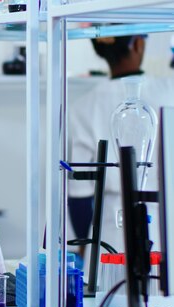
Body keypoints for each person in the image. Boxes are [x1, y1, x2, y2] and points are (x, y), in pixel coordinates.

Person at [68, 35, 174, 264]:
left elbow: (79, 195)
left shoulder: (83, 106)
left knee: (107, 296)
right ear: (138, 44)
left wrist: (87, 247)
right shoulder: (169, 90)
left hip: (111, 235)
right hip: (166, 225)